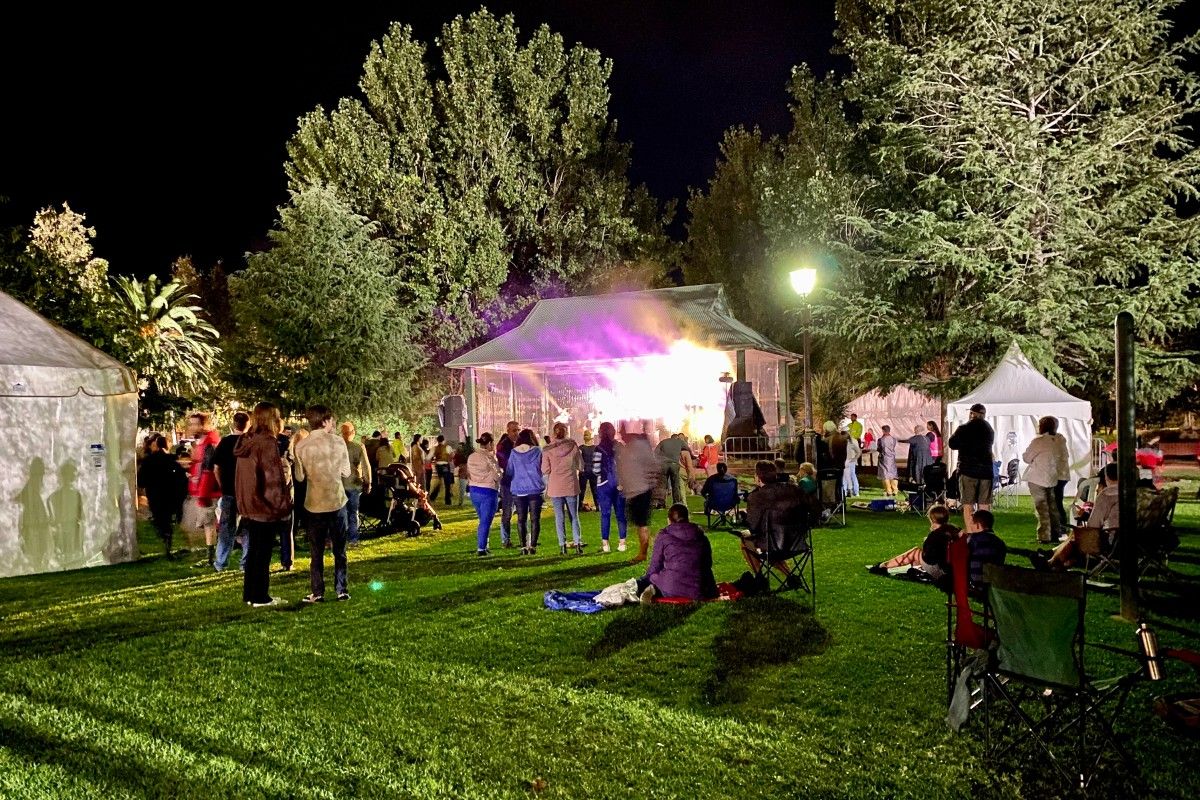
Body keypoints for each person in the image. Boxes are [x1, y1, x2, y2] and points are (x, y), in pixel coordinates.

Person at [235, 402, 292, 608]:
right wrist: (281, 505)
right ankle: (260, 596)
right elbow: (272, 479)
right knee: (262, 552)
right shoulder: (266, 443)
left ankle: (251, 593)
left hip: (249, 504)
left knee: (254, 551)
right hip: (263, 505)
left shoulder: (247, 442)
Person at [294, 405, 352, 603]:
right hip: (336, 499)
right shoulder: (338, 442)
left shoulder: (301, 446)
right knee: (340, 550)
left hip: (314, 503)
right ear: (326, 421)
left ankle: (317, 592)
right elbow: (346, 472)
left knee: (316, 552)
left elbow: (300, 477)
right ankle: (341, 589)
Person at [1033, 463, 1122, 571]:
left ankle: (1051, 563)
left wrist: (1087, 515)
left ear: (1106, 477)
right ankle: (1056, 561)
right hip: (1131, 540)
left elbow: (1093, 524)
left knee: (1079, 535)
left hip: (1111, 541)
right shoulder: (1131, 492)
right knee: (1077, 535)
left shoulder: (1106, 495)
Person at [738, 460, 817, 581]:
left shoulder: (756, 497)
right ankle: (790, 576)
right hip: (797, 543)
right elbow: (816, 508)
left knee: (746, 541)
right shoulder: (794, 489)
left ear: (758, 478)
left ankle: (760, 578)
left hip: (774, 546)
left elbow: (753, 526)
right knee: (770, 539)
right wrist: (806, 525)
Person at [636, 504, 719, 604]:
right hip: (701, 589)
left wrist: (649, 578)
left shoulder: (664, 536)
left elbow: (655, 566)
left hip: (672, 587)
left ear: (669, 520)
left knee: (653, 576)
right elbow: (707, 563)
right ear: (688, 518)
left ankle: (650, 589)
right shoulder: (701, 535)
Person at [867, 504, 959, 581]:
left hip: (942, 572)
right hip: (955, 570)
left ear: (932, 519)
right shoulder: (955, 529)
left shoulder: (936, 534)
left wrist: (927, 540)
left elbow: (928, 557)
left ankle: (883, 566)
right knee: (917, 556)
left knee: (915, 552)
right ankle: (887, 565)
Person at [947, 403, 995, 532]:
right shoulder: (989, 429)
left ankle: (971, 531)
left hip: (968, 469)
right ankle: (984, 530)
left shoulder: (964, 428)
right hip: (986, 470)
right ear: (984, 415)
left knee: (968, 503)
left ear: (971, 414)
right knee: (984, 503)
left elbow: (952, 444)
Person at [137, 433, 186, 559]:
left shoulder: (149, 461)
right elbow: (181, 478)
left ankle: (165, 541)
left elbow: (141, 480)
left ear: (156, 445)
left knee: (160, 520)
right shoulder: (173, 460)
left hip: (155, 494)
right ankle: (167, 543)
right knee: (167, 520)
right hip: (170, 494)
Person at [212, 410, 250, 572]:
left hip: (228, 490)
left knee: (226, 528)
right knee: (248, 528)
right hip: (247, 491)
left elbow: (216, 468)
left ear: (234, 424)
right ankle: (245, 563)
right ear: (248, 424)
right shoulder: (249, 443)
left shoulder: (225, 443)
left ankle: (221, 562)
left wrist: (222, 485)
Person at [185, 411, 222, 567]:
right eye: (191, 423)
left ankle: (211, 558)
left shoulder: (209, 444)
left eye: (195, 424)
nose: (192, 427)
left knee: (209, 524)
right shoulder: (203, 443)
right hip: (202, 490)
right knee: (207, 524)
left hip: (208, 492)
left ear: (203, 425)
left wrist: (203, 493)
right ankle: (212, 556)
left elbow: (209, 470)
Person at [617, 428, 658, 563]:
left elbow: (652, 467)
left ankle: (643, 553)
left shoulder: (636, 448)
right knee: (639, 523)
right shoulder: (630, 448)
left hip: (640, 491)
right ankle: (643, 551)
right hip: (635, 491)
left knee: (642, 524)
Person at [1023, 416, 1066, 544]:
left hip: (1037, 478)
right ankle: (1056, 532)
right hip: (1052, 478)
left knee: (1042, 508)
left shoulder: (1039, 442)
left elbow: (1026, 457)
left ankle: (1044, 535)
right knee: (1052, 507)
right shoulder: (1058, 441)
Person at [543, 422, 584, 554]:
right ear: (566, 432)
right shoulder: (573, 446)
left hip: (555, 486)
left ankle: (562, 545)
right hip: (571, 484)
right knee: (574, 516)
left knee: (559, 517)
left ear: (554, 433)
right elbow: (581, 465)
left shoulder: (548, 449)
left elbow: (545, 469)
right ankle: (577, 543)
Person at [506, 429, 545, 554]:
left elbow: (509, 471)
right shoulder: (537, 451)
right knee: (535, 519)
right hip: (535, 488)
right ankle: (533, 545)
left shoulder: (513, 453)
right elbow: (542, 468)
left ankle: (523, 546)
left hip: (518, 489)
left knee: (521, 519)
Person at [593, 421, 628, 553]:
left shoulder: (598, 449)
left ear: (601, 433)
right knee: (620, 514)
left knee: (605, 514)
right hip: (620, 484)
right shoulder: (620, 447)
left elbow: (596, 469)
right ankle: (622, 543)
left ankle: (605, 545)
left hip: (603, 484)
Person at [467, 433, 502, 556]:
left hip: (474, 490)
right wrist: (500, 475)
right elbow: (496, 475)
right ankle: (481, 548)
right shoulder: (489, 458)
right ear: (490, 443)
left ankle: (484, 545)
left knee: (482, 519)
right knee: (486, 521)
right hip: (488, 491)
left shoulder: (471, 457)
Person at [341, 421, 371, 546]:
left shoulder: (336, 447)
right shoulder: (358, 447)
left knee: (341, 514)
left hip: (340, 485)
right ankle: (353, 539)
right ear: (353, 433)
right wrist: (368, 482)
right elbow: (366, 466)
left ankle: (341, 538)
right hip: (354, 484)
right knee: (353, 513)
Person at [965, 509, 1006, 593]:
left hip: (977, 582)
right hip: (994, 581)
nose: (970, 526)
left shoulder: (973, 540)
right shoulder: (999, 542)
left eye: (972, 523)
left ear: (977, 526)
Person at [496, 420, 521, 548]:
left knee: (522, 511)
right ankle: (506, 540)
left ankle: (524, 539)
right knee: (507, 512)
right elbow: (503, 462)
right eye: (514, 430)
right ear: (508, 431)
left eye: (518, 430)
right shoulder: (503, 445)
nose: (516, 433)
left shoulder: (522, 443)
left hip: (521, 482)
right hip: (508, 483)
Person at [654, 431, 693, 506]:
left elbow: (655, 452)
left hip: (663, 465)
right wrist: (693, 456)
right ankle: (676, 502)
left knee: (663, 484)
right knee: (675, 484)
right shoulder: (679, 442)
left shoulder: (663, 442)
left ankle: (661, 503)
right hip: (674, 464)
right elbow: (688, 449)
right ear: (677, 438)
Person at [429, 435, 455, 506]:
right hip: (445, 465)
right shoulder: (447, 447)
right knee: (447, 483)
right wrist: (449, 459)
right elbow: (452, 455)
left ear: (437, 440)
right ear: (443, 440)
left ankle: (432, 496)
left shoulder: (435, 448)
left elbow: (429, 457)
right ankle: (447, 500)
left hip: (438, 465)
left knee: (439, 481)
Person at [577, 430, 598, 511]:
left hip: (583, 471)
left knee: (582, 489)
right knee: (595, 489)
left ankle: (579, 506)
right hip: (593, 471)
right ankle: (597, 506)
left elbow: (578, 460)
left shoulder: (581, 448)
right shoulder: (595, 448)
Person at [877, 425, 898, 496]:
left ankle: (888, 490)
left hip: (884, 458)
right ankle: (895, 489)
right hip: (892, 458)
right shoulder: (893, 439)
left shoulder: (881, 440)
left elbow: (879, 448)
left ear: (883, 431)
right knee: (893, 473)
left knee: (885, 474)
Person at [843, 430, 861, 498]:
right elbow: (858, 452)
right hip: (851, 461)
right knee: (852, 476)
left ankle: (845, 492)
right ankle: (855, 492)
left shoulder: (845, 442)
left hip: (847, 461)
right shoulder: (854, 441)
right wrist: (854, 459)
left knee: (845, 477)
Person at [453, 442, 470, 508]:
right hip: (465, 471)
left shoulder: (459, 455)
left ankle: (461, 501)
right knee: (463, 488)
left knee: (462, 487)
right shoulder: (465, 454)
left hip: (464, 471)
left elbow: (456, 462)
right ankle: (461, 501)